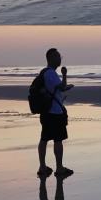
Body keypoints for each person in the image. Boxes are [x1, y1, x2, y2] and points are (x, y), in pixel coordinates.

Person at [38, 48, 74, 179]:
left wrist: (64, 84)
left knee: (44, 138)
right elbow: (62, 87)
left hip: (46, 112)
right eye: (58, 56)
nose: (60, 59)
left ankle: (42, 167)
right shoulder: (51, 74)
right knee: (58, 140)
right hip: (54, 112)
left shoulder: (44, 73)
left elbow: (58, 88)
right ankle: (59, 168)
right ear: (52, 58)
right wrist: (65, 75)